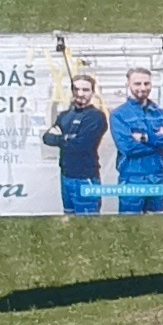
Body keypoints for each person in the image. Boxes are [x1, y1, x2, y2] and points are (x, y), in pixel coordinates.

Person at [107, 64, 163, 214]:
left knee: (157, 223)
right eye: (137, 83)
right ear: (128, 84)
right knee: (131, 225)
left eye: (146, 83)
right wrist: (160, 140)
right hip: (132, 179)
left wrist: (145, 137)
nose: (143, 87)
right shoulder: (119, 115)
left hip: (157, 177)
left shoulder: (159, 113)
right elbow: (128, 147)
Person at [44, 65, 110, 214]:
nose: (80, 93)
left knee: (87, 226)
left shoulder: (96, 117)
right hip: (66, 177)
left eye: (85, 90)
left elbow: (82, 145)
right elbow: (47, 138)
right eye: (76, 89)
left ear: (92, 92)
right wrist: (68, 138)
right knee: (69, 221)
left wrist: (60, 137)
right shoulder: (64, 115)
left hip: (85, 179)